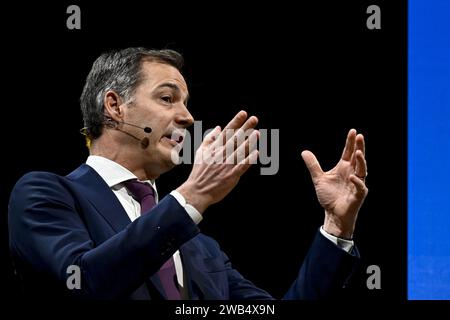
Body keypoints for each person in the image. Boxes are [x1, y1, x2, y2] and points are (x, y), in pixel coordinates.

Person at [8, 47, 368, 300]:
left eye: (186, 103)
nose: (188, 118)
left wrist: (336, 229)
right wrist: (194, 195)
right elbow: (83, 283)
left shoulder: (198, 246)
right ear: (115, 106)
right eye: (167, 99)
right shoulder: (45, 194)